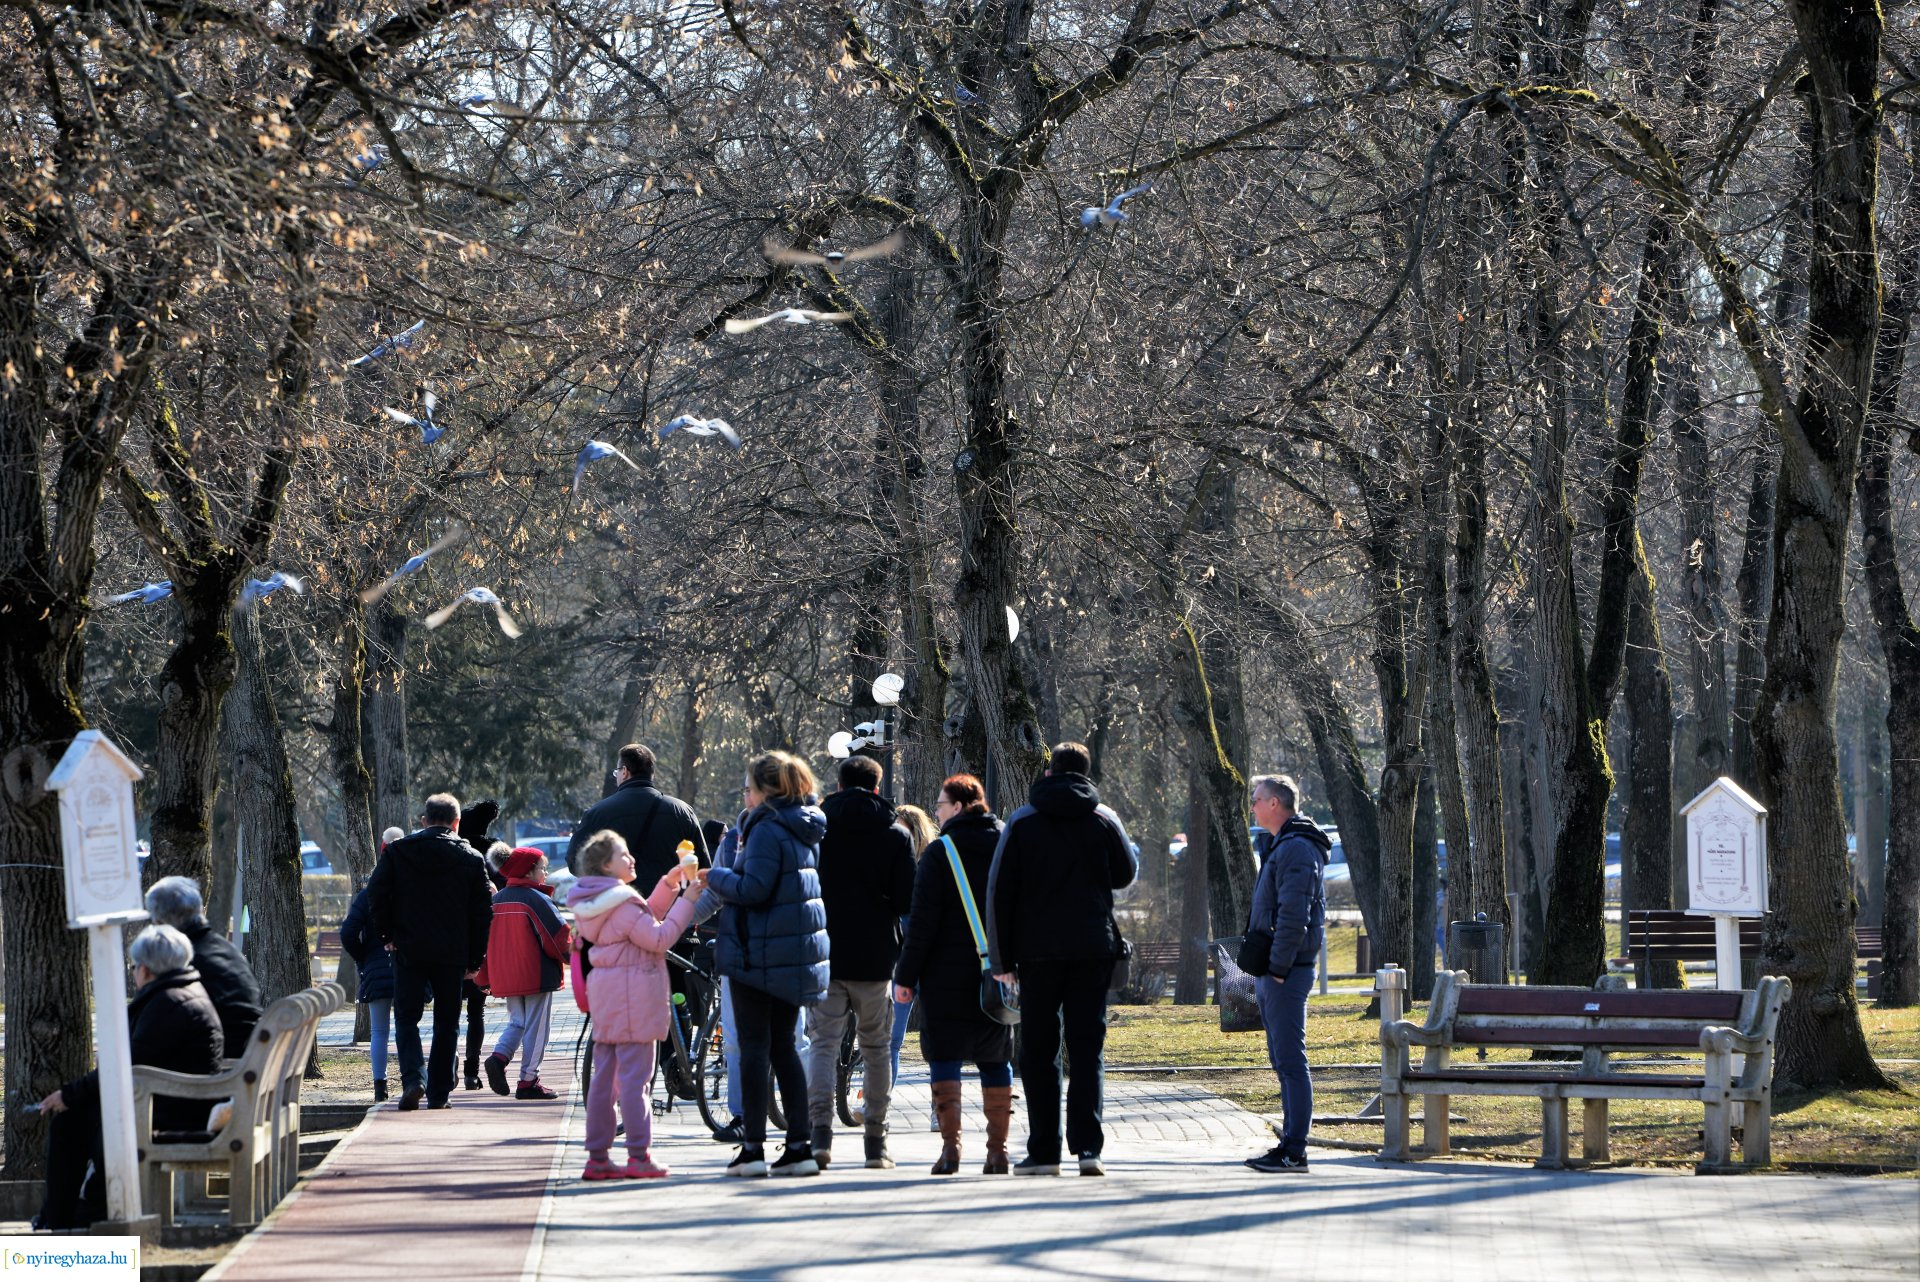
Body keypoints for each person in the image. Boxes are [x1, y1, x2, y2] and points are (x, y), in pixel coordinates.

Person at [986, 741, 1138, 1177]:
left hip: (1036, 952)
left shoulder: (1023, 819)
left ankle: (1044, 1151)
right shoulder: (1102, 816)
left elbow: (1000, 891)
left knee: (1038, 1050)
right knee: (1089, 1048)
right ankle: (1089, 1148)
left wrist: (1001, 957)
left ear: (1049, 772)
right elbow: (1126, 872)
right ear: (1088, 775)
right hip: (1093, 947)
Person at [34, 924, 223, 1230]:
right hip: (181, 1103)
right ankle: (80, 1210)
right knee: (82, 1117)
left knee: (71, 1121)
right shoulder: (186, 991)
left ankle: (62, 1218)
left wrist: (68, 1095)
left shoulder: (168, 1003)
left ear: (146, 970)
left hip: (171, 1112)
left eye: (135, 967)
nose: (134, 973)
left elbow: (123, 1066)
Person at [705, 750, 830, 1178]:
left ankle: (753, 1147)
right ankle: (800, 1144)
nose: (746, 794)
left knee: (755, 1052)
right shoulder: (803, 825)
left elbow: (754, 888)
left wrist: (712, 877)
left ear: (764, 789)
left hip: (756, 953)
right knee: (784, 1049)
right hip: (791, 952)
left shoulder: (764, 828)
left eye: (749, 786)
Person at [894, 774, 1015, 1174]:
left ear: (959, 807)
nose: (938, 811)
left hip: (945, 977)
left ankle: (951, 1150)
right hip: (996, 975)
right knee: (996, 1058)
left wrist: (906, 977)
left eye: (942, 805)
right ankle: (998, 1152)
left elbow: (922, 924)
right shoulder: (1006, 842)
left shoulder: (940, 852)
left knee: (944, 1058)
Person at [565, 830, 701, 1179]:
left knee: (605, 1080)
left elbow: (643, 918)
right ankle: (639, 1156)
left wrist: (669, 885)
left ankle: (597, 1157)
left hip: (608, 995)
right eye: (624, 855)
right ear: (607, 865)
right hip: (634, 995)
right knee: (636, 1080)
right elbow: (657, 937)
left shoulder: (600, 901)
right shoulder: (623, 903)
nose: (632, 859)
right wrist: (688, 899)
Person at [805, 755, 915, 1170]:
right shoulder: (895, 836)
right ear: (877, 786)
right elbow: (907, 902)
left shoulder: (816, 831)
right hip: (874, 957)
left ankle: (819, 1135)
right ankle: (875, 1140)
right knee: (876, 1048)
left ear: (837, 785)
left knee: (822, 1045)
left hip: (825, 953)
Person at [367, 792, 495, 1111]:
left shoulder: (398, 852)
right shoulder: (471, 858)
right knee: (446, 1022)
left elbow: (377, 894)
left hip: (408, 947)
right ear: (457, 823)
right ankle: (439, 1093)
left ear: (423, 821)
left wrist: (387, 934)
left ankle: (414, 1079)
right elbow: (482, 914)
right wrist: (475, 959)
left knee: (407, 1017)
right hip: (452, 952)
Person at [1243, 773, 1330, 1174]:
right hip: (1275, 970)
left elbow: (1295, 915)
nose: (1253, 806)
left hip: (1286, 972)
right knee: (1282, 1059)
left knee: (1291, 1062)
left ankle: (1295, 1150)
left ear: (1276, 803)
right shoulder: (1282, 845)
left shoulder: (1296, 849)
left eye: (1257, 799)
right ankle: (1288, 1146)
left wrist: (1277, 969)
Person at [481, 848, 573, 1100]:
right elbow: (558, 937)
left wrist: (484, 976)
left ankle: (499, 1057)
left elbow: (484, 942)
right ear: (529, 870)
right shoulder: (536, 899)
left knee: (518, 1022)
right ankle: (528, 1080)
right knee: (537, 1028)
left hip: (505, 975)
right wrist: (575, 959)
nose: (545, 873)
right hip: (536, 974)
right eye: (542, 868)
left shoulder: (496, 900)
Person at [144, 876, 264, 1053]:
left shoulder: (186, 961)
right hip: (244, 1053)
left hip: (221, 1064)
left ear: (160, 922)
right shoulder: (226, 949)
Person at [566, 743, 707, 883]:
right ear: (651, 774)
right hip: (674, 901)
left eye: (617, 772)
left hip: (618, 900)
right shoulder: (683, 811)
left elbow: (575, 862)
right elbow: (703, 866)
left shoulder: (597, 813)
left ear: (624, 771)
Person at [889, 803, 939, 1089]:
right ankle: (880, 1104)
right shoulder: (896, 865)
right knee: (892, 1040)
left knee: (937, 1041)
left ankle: (939, 1106)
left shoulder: (933, 863)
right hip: (901, 961)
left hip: (930, 959)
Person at [457, 805, 505, 1090]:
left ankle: (448, 1063)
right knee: (476, 1010)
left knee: (447, 1009)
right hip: (481, 941)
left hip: (450, 940)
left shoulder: (453, 852)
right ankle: (471, 1072)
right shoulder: (494, 855)